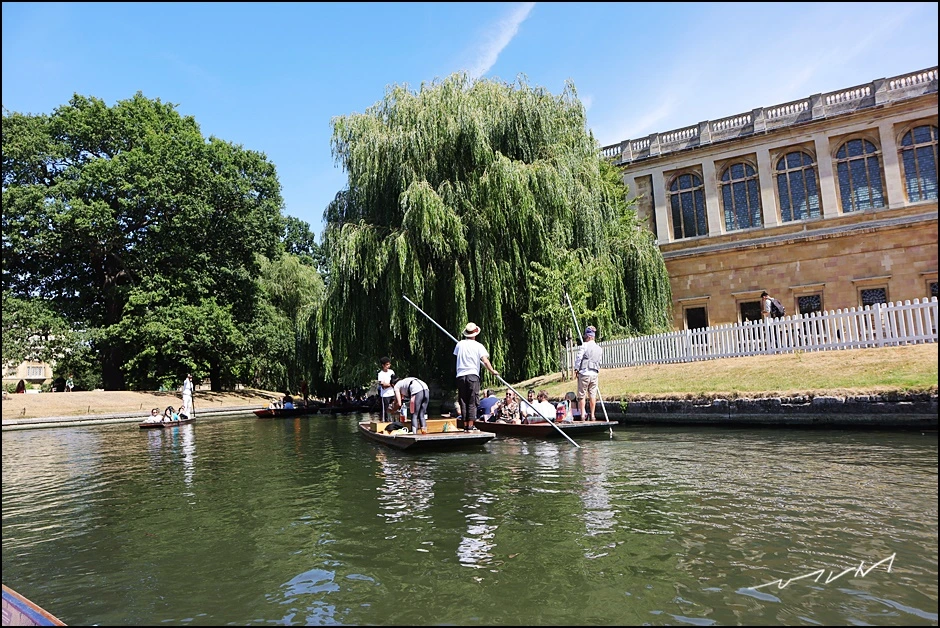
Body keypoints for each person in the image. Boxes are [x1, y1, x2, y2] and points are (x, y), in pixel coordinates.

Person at [454, 322, 499, 432]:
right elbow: (485, 360)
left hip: (460, 376)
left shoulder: (459, 344)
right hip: (472, 376)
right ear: (475, 334)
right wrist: (492, 371)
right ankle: (470, 426)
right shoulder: (478, 346)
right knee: (472, 401)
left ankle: (465, 425)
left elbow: (457, 355)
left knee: (463, 401)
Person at [574, 325, 603, 422]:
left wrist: (576, 369)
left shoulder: (585, 345)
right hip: (594, 374)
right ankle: (593, 415)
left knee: (581, 395)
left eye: (586, 337)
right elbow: (599, 361)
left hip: (584, 373)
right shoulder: (599, 348)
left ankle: (583, 415)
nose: (585, 338)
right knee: (592, 395)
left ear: (589, 336)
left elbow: (579, 358)